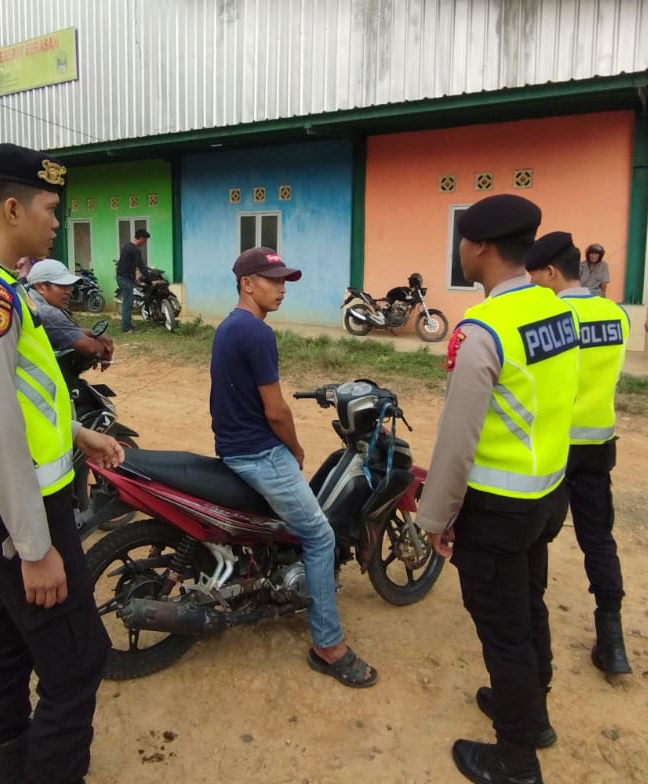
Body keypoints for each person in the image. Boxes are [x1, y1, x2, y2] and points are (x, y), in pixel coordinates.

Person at [0, 142, 124, 784]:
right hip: (15, 510)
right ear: (12, 208)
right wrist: (34, 547)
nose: (57, 221)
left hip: (2, 505)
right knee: (77, 659)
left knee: (9, 633)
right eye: (50, 207)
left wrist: (74, 435)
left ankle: (13, 757)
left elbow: (20, 396)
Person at [416, 194, 578, 784]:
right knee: (529, 606)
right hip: (546, 494)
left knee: (504, 633)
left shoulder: (484, 330)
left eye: (461, 241)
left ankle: (516, 761)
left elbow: (457, 443)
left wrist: (433, 519)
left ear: (480, 247)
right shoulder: (555, 309)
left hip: (497, 508)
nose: (459, 251)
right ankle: (532, 716)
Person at [209, 246, 378, 689]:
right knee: (320, 535)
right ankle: (328, 644)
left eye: (285, 280)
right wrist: (295, 449)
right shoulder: (257, 333)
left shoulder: (229, 326)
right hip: (258, 452)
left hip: (232, 446)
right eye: (274, 280)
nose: (282, 288)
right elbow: (276, 411)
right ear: (247, 283)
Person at [525, 232, 632, 680]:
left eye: (535, 276)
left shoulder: (552, 317)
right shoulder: (616, 315)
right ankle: (612, 640)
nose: (533, 284)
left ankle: (533, 642)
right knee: (598, 538)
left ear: (551, 272)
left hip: (555, 448)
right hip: (598, 448)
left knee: (534, 539)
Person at [25, 259, 115, 365]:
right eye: (62, 286)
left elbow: (64, 330)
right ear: (41, 287)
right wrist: (104, 350)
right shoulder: (47, 312)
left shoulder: (28, 300)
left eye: (69, 286)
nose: (69, 291)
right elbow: (90, 349)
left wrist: (93, 333)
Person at [116, 228, 149, 333]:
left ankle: (128, 325)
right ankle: (126, 329)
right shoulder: (134, 249)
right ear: (141, 238)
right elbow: (141, 266)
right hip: (125, 279)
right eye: (145, 241)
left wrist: (134, 278)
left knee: (129, 303)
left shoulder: (127, 246)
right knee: (128, 304)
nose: (145, 243)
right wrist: (150, 279)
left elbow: (130, 265)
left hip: (124, 277)